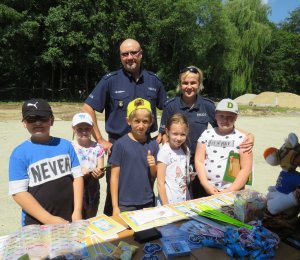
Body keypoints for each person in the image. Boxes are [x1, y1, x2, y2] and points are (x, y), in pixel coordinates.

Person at [82, 38, 167, 215]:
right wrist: (99, 139)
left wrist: (163, 132)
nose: (130, 57)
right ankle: (113, 230)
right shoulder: (110, 80)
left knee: (145, 191)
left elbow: (168, 107)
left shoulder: (153, 81)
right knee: (115, 193)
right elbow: (87, 107)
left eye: (133, 53)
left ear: (141, 54)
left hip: (146, 146)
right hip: (118, 147)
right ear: (120, 57)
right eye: (125, 54)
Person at [157, 65, 253, 198]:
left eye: (193, 82)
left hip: (199, 163)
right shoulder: (170, 106)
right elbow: (163, 136)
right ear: (180, 84)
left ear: (199, 84)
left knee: (197, 199)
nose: (189, 86)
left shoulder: (207, 105)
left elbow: (223, 125)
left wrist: (248, 135)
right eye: (185, 83)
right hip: (178, 161)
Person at [8, 98, 84, 226]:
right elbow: (18, 193)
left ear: (52, 120)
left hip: (69, 216)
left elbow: (77, 178)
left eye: (43, 118)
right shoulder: (19, 154)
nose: (38, 122)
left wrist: (77, 211)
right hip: (37, 223)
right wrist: (49, 219)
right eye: (31, 119)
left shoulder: (66, 145)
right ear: (24, 123)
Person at [110, 98, 159, 216]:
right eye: (137, 121)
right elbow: (114, 177)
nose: (141, 126)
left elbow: (155, 175)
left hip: (147, 201)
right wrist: (115, 206)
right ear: (128, 121)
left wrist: (153, 166)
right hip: (125, 204)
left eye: (145, 121)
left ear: (151, 122)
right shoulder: (120, 144)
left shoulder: (153, 145)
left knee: (147, 233)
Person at [194, 99, 253, 195]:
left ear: (236, 118)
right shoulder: (206, 134)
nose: (225, 120)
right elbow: (199, 160)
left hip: (233, 190)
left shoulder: (242, 139)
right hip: (208, 188)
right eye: (221, 116)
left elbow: (246, 168)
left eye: (230, 117)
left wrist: (231, 190)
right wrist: (205, 184)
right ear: (215, 115)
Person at [71, 112, 105, 219]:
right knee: (75, 215)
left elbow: (101, 169)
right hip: (74, 186)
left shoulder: (98, 147)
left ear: (92, 128)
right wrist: (78, 170)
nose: (84, 131)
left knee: (90, 216)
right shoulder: (70, 147)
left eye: (87, 128)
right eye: (79, 129)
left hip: (92, 187)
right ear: (73, 129)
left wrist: (98, 173)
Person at [157, 113, 194, 205]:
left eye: (182, 134)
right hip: (168, 202)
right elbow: (160, 183)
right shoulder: (164, 152)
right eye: (175, 134)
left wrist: (190, 175)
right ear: (167, 131)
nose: (179, 138)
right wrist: (166, 205)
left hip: (182, 201)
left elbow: (183, 177)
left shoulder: (186, 150)